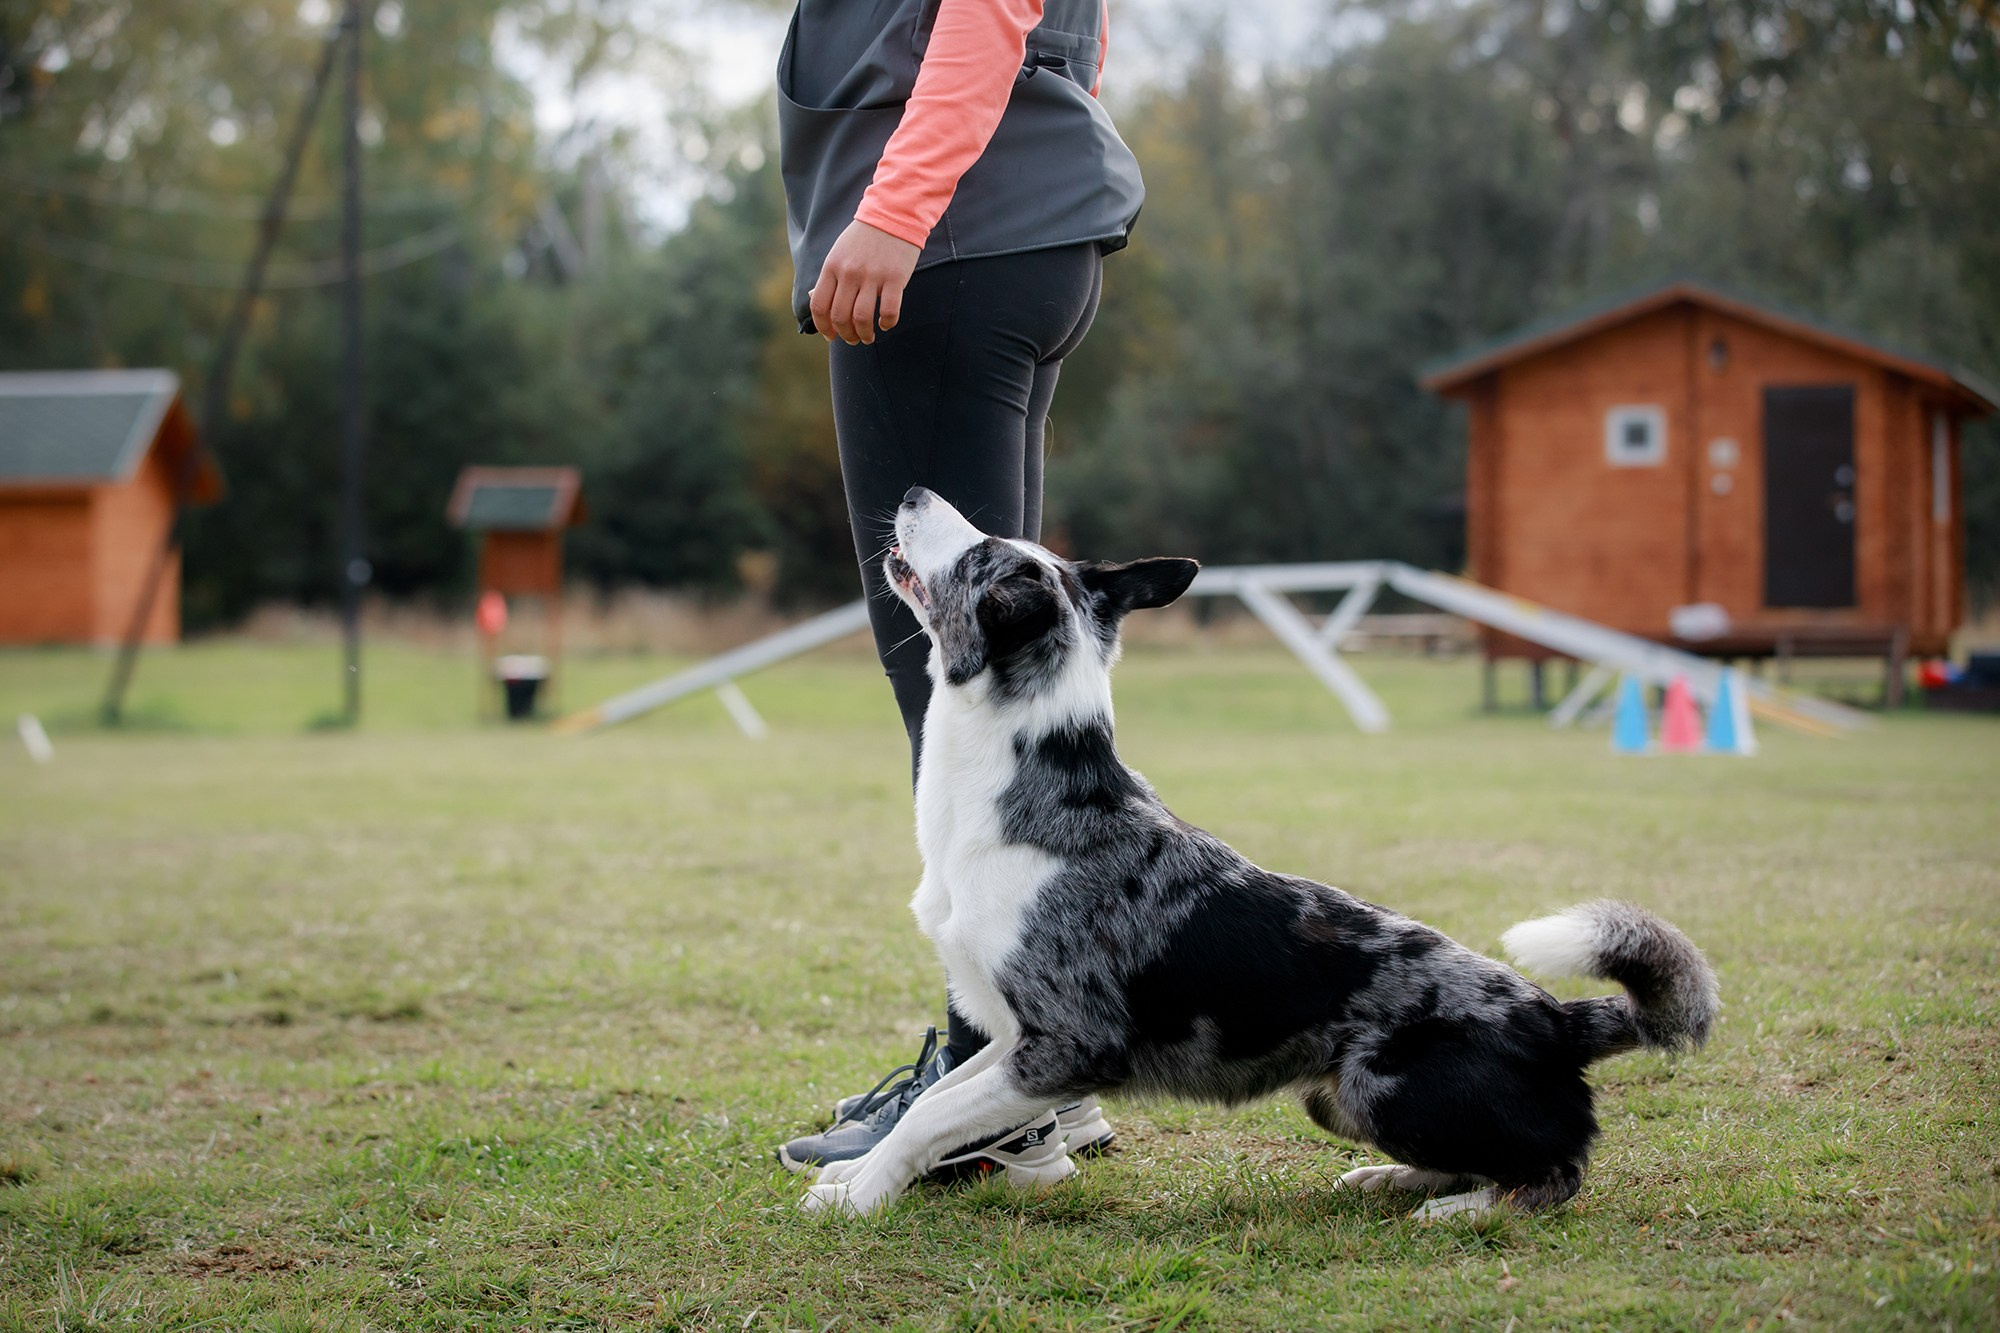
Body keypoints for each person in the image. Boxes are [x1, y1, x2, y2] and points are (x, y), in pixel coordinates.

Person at [772, 0, 1144, 1181]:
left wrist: (890, 211)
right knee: (997, 682)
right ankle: (1042, 1065)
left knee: (956, 686)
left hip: (948, 239)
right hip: (1018, 226)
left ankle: (1000, 1086)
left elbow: (989, 9)